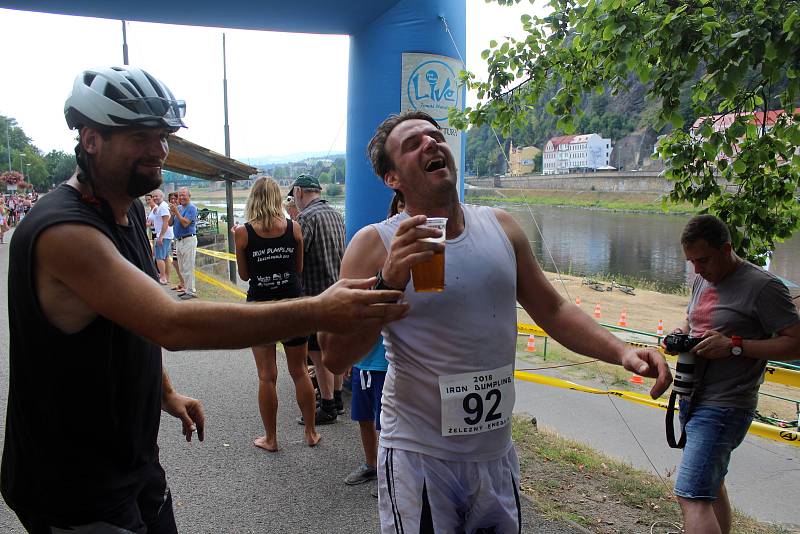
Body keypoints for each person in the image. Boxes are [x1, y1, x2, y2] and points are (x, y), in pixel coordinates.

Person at [2, 66, 406, 534]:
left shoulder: (128, 209)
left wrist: (166, 392)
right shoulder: (64, 232)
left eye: (164, 135)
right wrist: (318, 309)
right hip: (71, 482)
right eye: (141, 136)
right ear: (90, 139)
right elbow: (172, 323)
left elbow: (132, 319)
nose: (160, 150)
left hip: (131, 460)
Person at [320, 110, 672, 533]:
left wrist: (621, 351)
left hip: (495, 453)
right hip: (419, 454)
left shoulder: (501, 226)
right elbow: (337, 356)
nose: (431, 144)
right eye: (412, 144)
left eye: (435, 137)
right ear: (392, 178)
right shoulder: (374, 243)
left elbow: (553, 310)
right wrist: (388, 280)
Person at [663, 214, 800, 534]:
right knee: (711, 485)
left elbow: (796, 343)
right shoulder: (701, 278)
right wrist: (680, 333)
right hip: (691, 398)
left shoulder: (764, 287)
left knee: (691, 495)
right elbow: (692, 319)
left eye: (703, 260)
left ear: (726, 249)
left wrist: (736, 346)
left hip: (726, 405)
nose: (696, 269)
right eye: (691, 261)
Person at [233, 176, 321, 451]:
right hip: (292, 307)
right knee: (299, 371)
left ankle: (271, 439)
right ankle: (310, 433)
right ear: (278, 199)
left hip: (260, 309)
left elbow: (245, 275)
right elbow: (297, 269)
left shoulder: (243, 232)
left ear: (253, 199)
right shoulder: (294, 228)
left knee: (267, 376)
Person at [289, 173, 347, 424]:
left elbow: (298, 260)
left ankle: (327, 406)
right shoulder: (336, 214)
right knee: (332, 348)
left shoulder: (306, 218)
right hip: (337, 290)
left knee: (317, 352)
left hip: (315, 294)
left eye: (294, 196)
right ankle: (338, 399)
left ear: (300, 192)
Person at [170, 187, 197, 299]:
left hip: (188, 239)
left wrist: (176, 212)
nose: (181, 197)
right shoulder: (179, 208)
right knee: (182, 267)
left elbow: (185, 223)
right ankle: (186, 289)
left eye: (184, 195)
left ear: (189, 196)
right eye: (180, 195)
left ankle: (191, 291)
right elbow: (170, 223)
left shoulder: (192, 208)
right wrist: (172, 213)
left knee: (188, 266)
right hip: (179, 240)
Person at [151, 188, 173, 285]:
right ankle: (166, 276)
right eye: (153, 196)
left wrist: (161, 236)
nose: (155, 198)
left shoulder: (163, 207)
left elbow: (166, 222)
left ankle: (163, 277)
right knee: (166, 257)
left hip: (163, 235)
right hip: (167, 236)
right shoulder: (161, 207)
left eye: (157, 196)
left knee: (159, 257)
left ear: (162, 196)